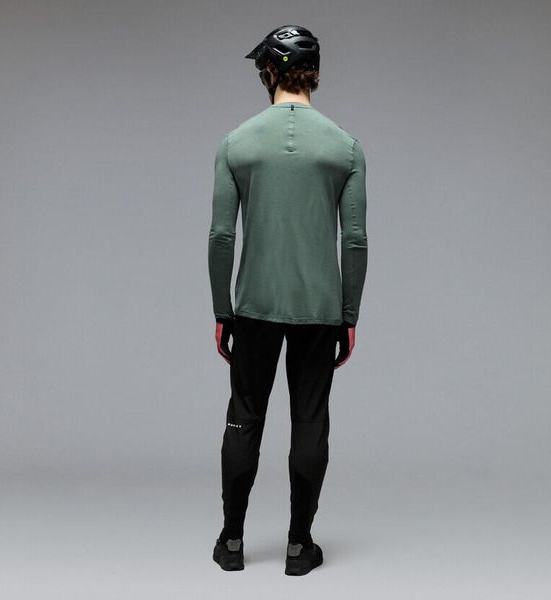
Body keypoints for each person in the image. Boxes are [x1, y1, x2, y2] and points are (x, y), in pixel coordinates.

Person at [208, 24, 368, 575]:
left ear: (270, 72)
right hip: (320, 308)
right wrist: (349, 314)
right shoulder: (345, 148)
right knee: (310, 420)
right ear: (314, 74)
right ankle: (300, 547)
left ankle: (231, 542)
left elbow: (221, 237)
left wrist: (221, 310)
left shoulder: (237, 143)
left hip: (253, 305)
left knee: (244, 417)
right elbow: (355, 240)